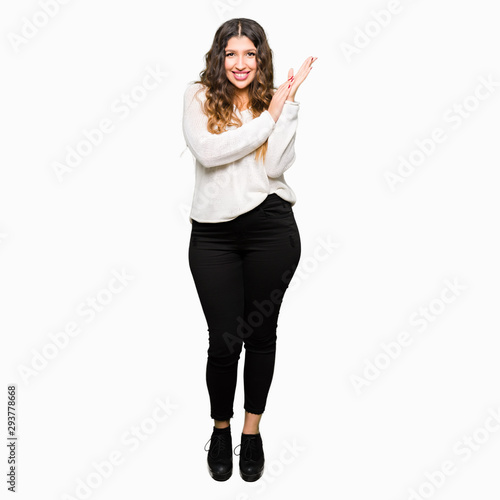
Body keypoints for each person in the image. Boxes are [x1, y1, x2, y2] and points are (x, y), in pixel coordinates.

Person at [182, 17, 316, 482]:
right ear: (220, 56)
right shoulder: (199, 95)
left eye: (250, 54)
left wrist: (288, 105)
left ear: (261, 59)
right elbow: (210, 153)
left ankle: (251, 433)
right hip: (214, 236)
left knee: (261, 335)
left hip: (270, 230)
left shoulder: (274, 101)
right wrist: (270, 117)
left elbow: (276, 165)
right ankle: (221, 430)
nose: (240, 63)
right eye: (232, 53)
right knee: (224, 341)